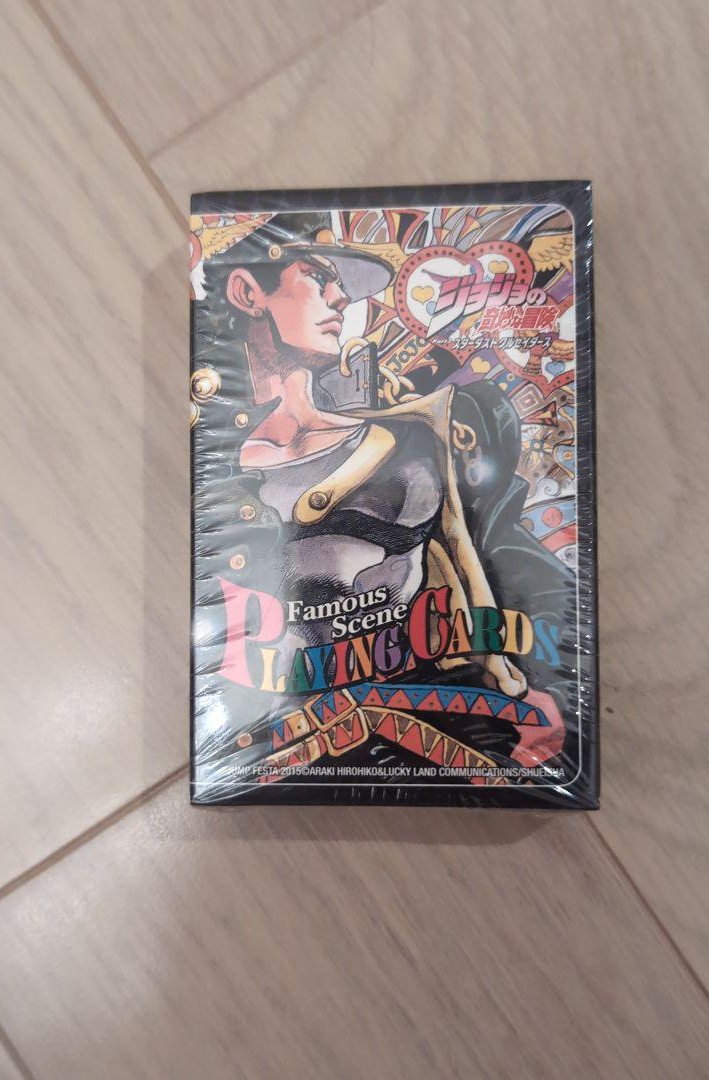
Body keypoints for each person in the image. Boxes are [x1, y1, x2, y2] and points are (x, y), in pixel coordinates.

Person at [191, 213, 575, 792]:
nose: (340, 298)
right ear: (248, 293)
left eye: (341, 286)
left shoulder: (415, 431)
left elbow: (470, 552)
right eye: (318, 276)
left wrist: (523, 683)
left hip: (444, 709)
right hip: (291, 734)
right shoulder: (220, 469)